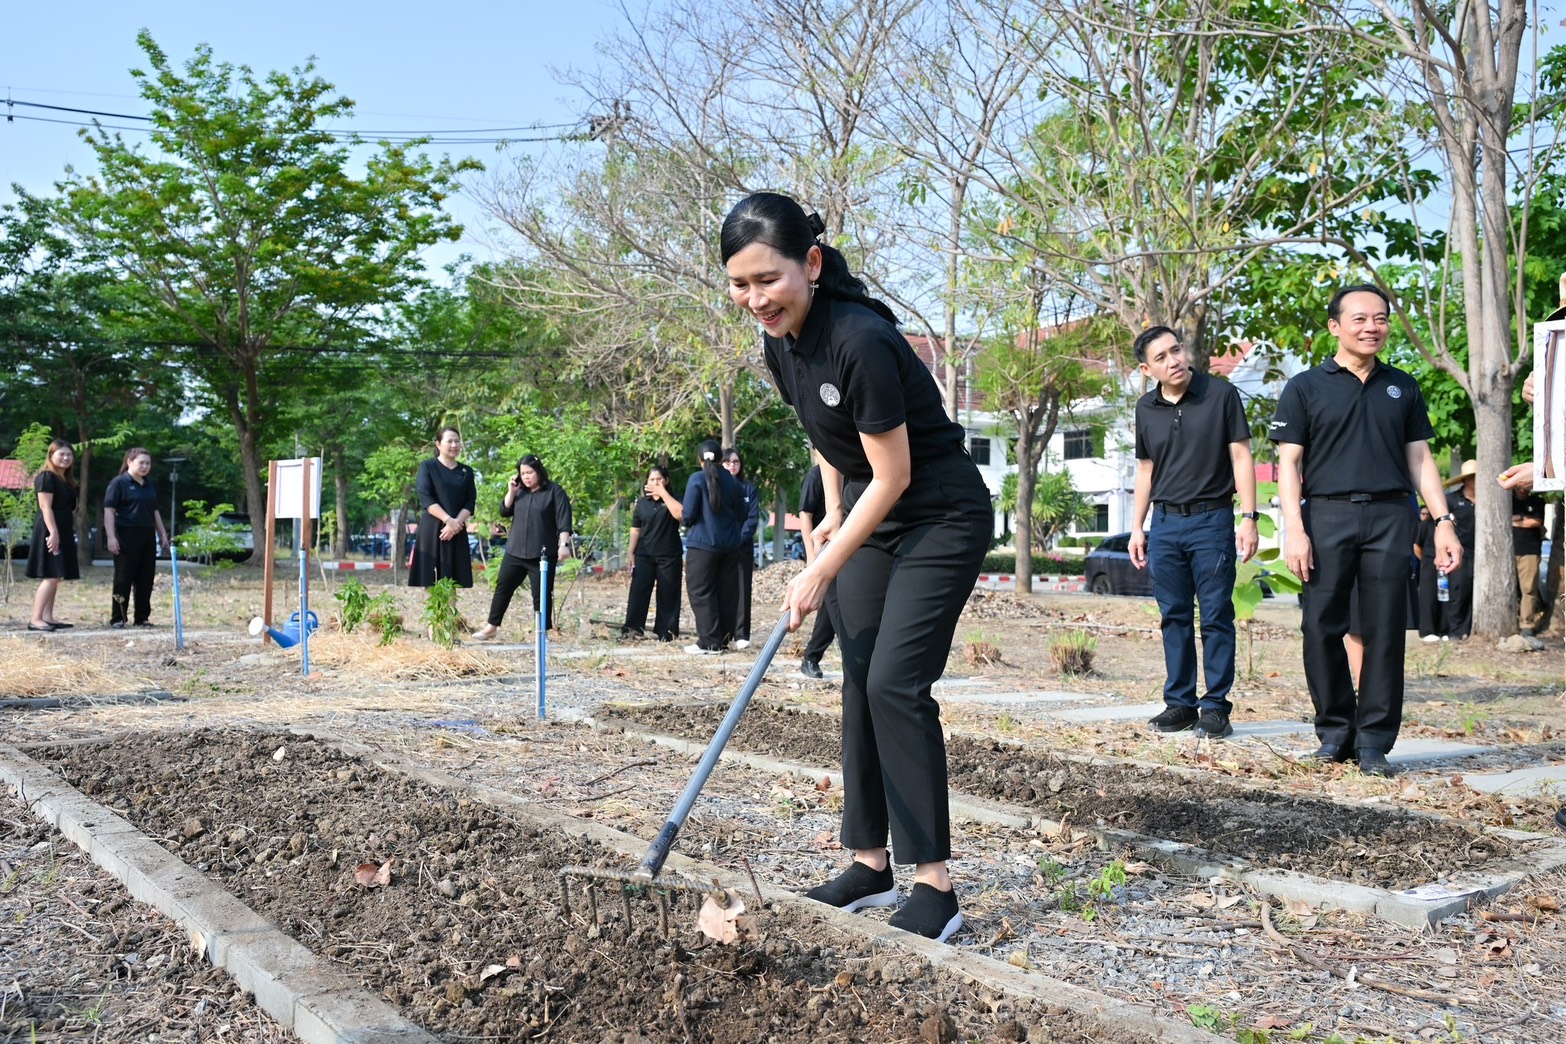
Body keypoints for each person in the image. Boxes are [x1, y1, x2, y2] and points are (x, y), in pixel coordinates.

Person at [722, 191, 992, 943]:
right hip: (874, 511)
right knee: (858, 679)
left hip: (939, 513)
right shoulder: (780, 343)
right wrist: (834, 510)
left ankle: (935, 886)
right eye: (740, 285)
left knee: (895, 684)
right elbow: (824, 433)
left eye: (768, 280)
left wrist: (819, 569)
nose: (756, 299)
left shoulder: (860, 338)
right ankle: (870, 865)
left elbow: (897, 472)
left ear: (810, 263)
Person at [1271, 284, 1462, 778]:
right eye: (1359, 319)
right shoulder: (1305, 388)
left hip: (1391, 516)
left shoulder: (1402, 386)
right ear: (1335, 326)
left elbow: (1420, 459)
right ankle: (1335, 733)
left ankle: (1375, 741)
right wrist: (1295, 529)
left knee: (1384, 629)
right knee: (1320, 626)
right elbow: (1289, 464)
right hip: (1326, 515)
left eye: (1380, 318)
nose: (1371, 327)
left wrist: (1443, 522)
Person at [1126, 326, 1258, 740]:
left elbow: (1241, 456)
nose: (1174, 361)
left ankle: (1216, 708)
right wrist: (1136, 527)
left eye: (1176, 350)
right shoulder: (1145, 408)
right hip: (1165, 523)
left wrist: (1249, 516)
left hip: (1211, 520)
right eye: (1161, 358)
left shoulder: (1220, 394)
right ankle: (1180, 704)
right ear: (1147, 370)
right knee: (1174, 616)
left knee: (1216, 615)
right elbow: (1145, 469)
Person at [473, 455, 573, 639]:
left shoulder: (554, 491)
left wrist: (564, 545)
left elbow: (564, 519)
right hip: (515, 550)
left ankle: (542, 631)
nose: (526, 477)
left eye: (530, 472)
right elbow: (504, 511)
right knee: (503, 587)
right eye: (523, 473)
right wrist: (511, 491)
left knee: (541, 594)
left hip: (542, 553)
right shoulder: (519, 492)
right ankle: (491, 627)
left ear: (539, 471)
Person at [681, 439, 746, 654]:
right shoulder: (733, 482)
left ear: (700, 459)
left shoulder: (696, 479)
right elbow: (742, 514)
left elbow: (688, 516)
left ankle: (709, 642)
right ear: (721, 459)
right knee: (726, 593)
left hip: (703, 546)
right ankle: (723, 639)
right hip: (731, 546)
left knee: (701, 592)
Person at [103, 447, 172, 629]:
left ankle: (142, 617)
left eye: (148, 463)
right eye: (141, 462)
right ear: (129, 462)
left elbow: (154, 511)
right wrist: (111, 537)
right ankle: (118, 617)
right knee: (123, 577)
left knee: (145, 578)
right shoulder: (118, 483)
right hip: (126, 534)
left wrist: (162, 533)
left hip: (147, 535)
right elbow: (109, 511)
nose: (145, 466)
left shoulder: (148, 485)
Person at [620, 465, 684, 642]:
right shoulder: (642, 503)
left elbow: (681, 515)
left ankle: (666, 633)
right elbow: (635, 529)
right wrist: (630, 552)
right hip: (644, 555)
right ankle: (632, 630)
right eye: (652, 479)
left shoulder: (674, 500)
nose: (655, 483)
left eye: (659, 479)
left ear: (666, 481)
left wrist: (663, 494)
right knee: (638, 593)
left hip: (669, 555)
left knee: (668, 594)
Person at [409, 427, 477, 589]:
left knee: (452, 582)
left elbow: (470, 501)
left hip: (457, 530)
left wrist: (455, 524)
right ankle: (433, 608)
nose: (454, 445)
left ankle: (450, 608)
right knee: (430, 583)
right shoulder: (427, 467)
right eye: (450, 441)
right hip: (433, 530)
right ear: (438, 444)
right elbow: (426, 497)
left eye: (457, 441)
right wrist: (448, 521)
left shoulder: (466, 471)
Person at [25, 439, 80, 632]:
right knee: (50, 574)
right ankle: (35, 619)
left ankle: (47, 617)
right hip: (50, 529)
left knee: (56, 574)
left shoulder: (66, 480)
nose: (66, 458)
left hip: (63, 529)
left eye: (69, 454)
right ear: (51, 456)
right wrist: (53, 532)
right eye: (61, 454)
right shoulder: (46, 477)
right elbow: (45, 506)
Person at [796, 457, 839, 679]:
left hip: (844, 548)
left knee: (830, 609)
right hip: (822, 550)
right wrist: (811, 556)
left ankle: (811, 657)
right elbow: (805, 515)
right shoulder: (816, 475)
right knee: (837, 604)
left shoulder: (847, 473)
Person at [722, 448, 762, 648]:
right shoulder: (717, 487)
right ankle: (722, 633)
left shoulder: (748, 488)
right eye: (728, 462)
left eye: (736, 462)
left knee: (742, 590)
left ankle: (741, 635)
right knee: (722, 589)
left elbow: (752, 518)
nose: (732, 465)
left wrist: (738, 539)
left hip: (742, 547)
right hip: (721, 546)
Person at [1438, 459, 1479, 640]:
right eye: (1473, 477)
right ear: (1466, 480)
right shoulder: (1452, 500)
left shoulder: (1489, 500)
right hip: (1461, 553)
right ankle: (1455, 631)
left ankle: (1468, 630)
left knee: (1475, 593)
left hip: (1483, 554)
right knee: (1459, 592)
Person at [1512, 490, 1547, 636]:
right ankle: (1511, 621)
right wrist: (1524, 518)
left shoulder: (1537, 501)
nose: (1523, 487)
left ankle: (1526, 624)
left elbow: (1536, 522)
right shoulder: (1507, 500)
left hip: (1530, 550)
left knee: (1528, 588)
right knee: (1509, 589)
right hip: (1507, 550)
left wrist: (1515, 519)